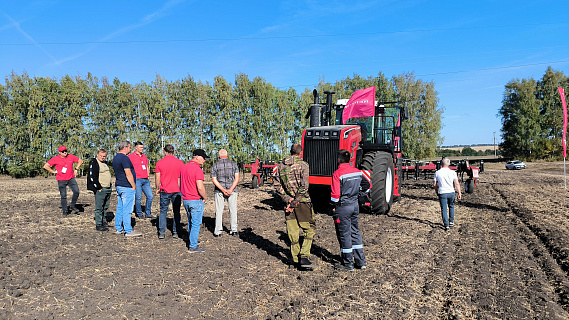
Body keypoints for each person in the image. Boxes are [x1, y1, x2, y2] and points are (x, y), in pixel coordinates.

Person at [274, 144, 315, 270]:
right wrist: (295, 201)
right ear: (300, 153)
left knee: (293, 232)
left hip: (288, 204)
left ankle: (295, 258)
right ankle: (304, 256)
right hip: (302, 203)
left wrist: (288, 200)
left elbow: (277, 186)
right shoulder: (304, 165)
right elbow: (304, 187)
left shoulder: (280, 166)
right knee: (309, 229)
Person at [330, 150, 371, 271]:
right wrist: (359, 194)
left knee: (344, 234)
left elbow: (335, 195)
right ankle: (360, 261)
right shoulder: (358, 172)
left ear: (339, 160)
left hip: (343, 207)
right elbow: (367, 185)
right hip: (355, 206)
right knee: (355, 231)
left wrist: (332, 206)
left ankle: (348, 263)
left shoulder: (337, 174)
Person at [181, 149, 209, 252]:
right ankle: (193, 245)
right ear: (197, 157)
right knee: (196, 223)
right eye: (203, 158)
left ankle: (192, 240)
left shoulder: (184, 167)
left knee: (190, 221)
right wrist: (205, 197)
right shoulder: (198, 170)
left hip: (186, 199)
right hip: (195, 199)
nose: (204, 160)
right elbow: (200, 187)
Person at [43, 146, 84, 217]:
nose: (65, 152)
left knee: (76, 192)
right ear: (59, 152)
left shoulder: (71, 157)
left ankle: (72, 205)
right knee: (63, 196)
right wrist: (53, 171)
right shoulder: (55, 159)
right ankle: (65, 211)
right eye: (63, 151)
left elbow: (80, 161)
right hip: (61, 180)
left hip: (71, 179)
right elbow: (46, 166)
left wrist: (76, 169)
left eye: (66, 151)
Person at [113, 140, 142, 237]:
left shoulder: (115, 158)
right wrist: (133, 185)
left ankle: (118, 228)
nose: (130, 149)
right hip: (126, 186)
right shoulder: (125, 158)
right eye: (129, 147)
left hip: (119, 185)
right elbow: (128, 173)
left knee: (120, 207)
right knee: (127, 209)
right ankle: (128, 230)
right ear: (125, 147)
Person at [155, 144, 184, 240]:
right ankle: (175, 232)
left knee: (163, 211)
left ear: (165, 152)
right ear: (173, 152)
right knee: (176, 211)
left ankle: (162, 232)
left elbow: (157, 177)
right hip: (176, 190)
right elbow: (181, 178)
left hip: (165, 190)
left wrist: (157, 188)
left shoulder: (160, 163)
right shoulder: (180, 163)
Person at [211, 149, 240, 237]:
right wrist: (231, 189)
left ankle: (218, 231)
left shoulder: (215, 165)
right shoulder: (234, 164)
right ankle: (234, 230)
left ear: (219, 156)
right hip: (232, 191)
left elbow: (214, 179)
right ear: (227, 155)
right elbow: (237, 178)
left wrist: (223, 190)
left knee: (219, 211)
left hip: (219, 191)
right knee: (233, 210)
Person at [433, 157, 462, 231]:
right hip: (451, 192)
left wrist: (437, 191)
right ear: (449, 164)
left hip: (442, 192)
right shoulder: (453, 172)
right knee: (451, 206)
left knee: (444, 209)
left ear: (441, 164)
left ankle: (446, 225)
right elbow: (457, 184)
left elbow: (434, 184)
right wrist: (459, 193)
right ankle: (451, 221)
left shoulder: (437, 172)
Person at [87, 148, 112, 231]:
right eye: (101, 156)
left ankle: (104, 222)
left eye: (104, 156)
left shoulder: (105, 163)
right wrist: (98, 187)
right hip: (101, 189)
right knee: (99, 207)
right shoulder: (94, 162)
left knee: (105, 207)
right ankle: (98, 224)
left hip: (108, 188)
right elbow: (91, 176)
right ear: (97, 155)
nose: (102, 157)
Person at [128, 141, 154, 219]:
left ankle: (148, 213)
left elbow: (146, 166)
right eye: (140, 147)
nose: (142, 149)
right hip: (137, 179)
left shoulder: (144, 156)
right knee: (138, 197)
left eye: (142, 147)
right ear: (136, 147)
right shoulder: (130, 157)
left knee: (150, 196)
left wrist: (148, 175)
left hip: (145, 180)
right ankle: (139, 213)